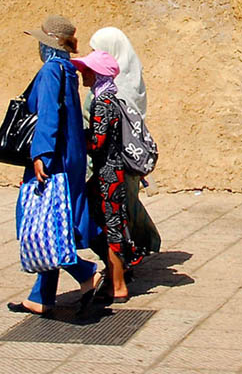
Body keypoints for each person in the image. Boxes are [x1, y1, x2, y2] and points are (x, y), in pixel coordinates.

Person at [8, 15, 99, 316]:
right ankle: (41, 296)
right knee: (52, 221)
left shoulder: (50, 71)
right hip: (71, 157)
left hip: (54, 158)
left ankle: (86, 272)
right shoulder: (67, 70)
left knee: (40, 224)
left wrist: (41, 155)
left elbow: (48, 115)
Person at [73, 50, 143, 303]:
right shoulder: (110, 98)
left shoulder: (102, 102)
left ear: (98, 74)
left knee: (112, 227)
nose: (83, 74)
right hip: (111, 173)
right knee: (109, 225)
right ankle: (117, 277)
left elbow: (98, 141)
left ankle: (118, 285)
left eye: (88, 71)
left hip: (107, 175)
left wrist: (75, 139)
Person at [88, 27, 160, 257]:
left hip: (115, 157)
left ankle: (128, 256)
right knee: (125, 205)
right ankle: (133, 250)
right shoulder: (132, 78)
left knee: (117, 209)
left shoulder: (111, 87)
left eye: (97, 51)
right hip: (128, 154)